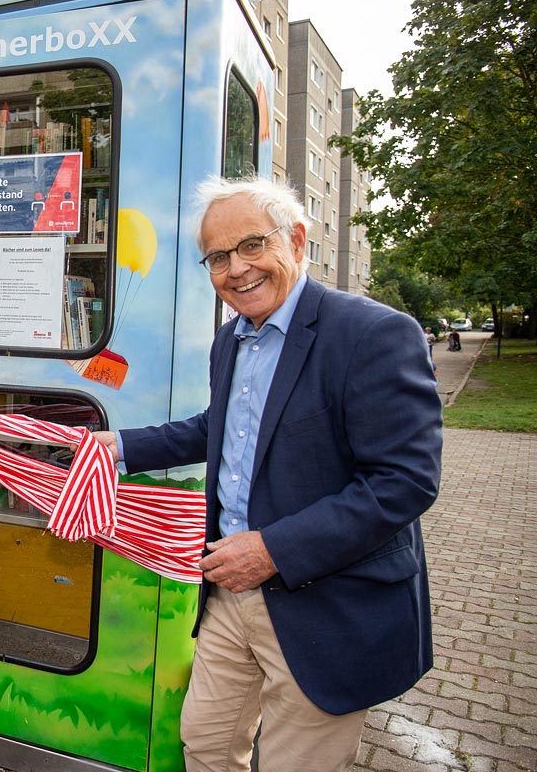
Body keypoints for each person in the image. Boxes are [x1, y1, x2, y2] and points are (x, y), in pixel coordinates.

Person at [92, 177, 442, 771]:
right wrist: (115, 445)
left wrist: (274, 549)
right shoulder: (230, 340)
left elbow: (404, 481)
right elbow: (218, 428)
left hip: (325, 601)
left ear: (297, 241)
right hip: (230, 593)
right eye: (219, 257)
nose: (237, 269)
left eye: (253, 245)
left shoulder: (373, 334)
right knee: (204, 743)